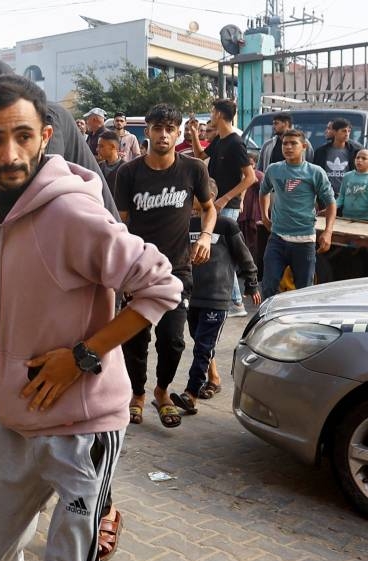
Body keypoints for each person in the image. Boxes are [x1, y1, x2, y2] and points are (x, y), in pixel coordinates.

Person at [0, 73, 180, 561]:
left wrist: (84, 357)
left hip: (83, 430)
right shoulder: (2, 210)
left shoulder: (70, 214)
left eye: (20, 136)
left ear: (45, 137)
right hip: (17, 423)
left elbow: (161, 285)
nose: (7, 154)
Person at [115, 103, 215, 429]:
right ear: (148, 131)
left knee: (173, 340)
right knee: (135, 338)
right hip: (139, 271)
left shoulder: (194, 169)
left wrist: (205, 237)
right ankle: (137, 395)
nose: (163, 134)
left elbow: (209, 209)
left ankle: (162, 392)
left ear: (178, 133)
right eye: (158, 128)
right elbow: (122, 223)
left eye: (170, 129)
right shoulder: (128, 173)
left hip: (178, 270)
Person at [171, 180, 260, 416]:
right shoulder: (185, 224)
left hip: (217, 298)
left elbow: (245, 257)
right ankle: (214, 379)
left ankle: (191, 394)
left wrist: (251, 283)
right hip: (191, 296)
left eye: (199, 195)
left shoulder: (226, 225)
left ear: (211, 197)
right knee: (199, 341)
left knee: (203, 346)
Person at [191, 99, 256, 319]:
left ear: (218, 114)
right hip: (214, 204)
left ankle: (236, 302)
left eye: (212, 111)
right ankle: (234, 301)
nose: (210, 115)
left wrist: (225, 199)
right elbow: (201, 156)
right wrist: (193, 133)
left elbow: (250, 178)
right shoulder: (220, 140)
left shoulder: (236, 143)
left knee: (226, 252)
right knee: (220, 252)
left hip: (226, 206)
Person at [259, 128, 336, 300]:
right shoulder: (273, 170)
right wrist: (264, 216)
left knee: (304, 293)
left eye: (293, 143)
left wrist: (328, 232)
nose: (288, 147)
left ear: (304, 146)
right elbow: (263, 191)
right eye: (285, 143)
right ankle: (268, 323)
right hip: (277, 239)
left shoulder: (315, 172)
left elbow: (331, 203)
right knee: (269, 287)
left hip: (304, 242)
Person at [312, 117, 363, 196]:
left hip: (349, 196)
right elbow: (315, 175)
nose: (347, 134)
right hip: (326, 196)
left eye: (348, 131)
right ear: (335, 132)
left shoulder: (355, 151)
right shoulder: (321, 152)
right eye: (343, 131)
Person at [337, 148, 368, 220]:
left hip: (364, 220)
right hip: (346, 218)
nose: (359, 160)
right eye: (357, 157)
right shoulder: (347, 176)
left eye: (364, 158)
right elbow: (341, 196)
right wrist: (332, 208)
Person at [96, 129, 122, 197]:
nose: (97, 149)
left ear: (113, 147)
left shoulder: (126, 169)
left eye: (101, 146)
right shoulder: (99, 166)